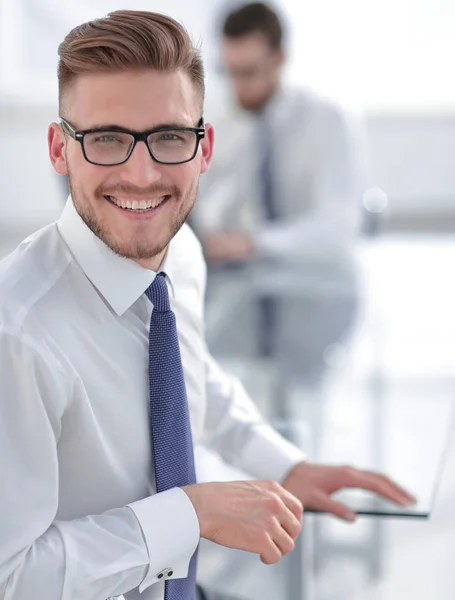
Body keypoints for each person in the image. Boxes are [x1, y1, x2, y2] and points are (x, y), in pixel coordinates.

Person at [0, 10, 415, 600]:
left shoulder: (181, 255)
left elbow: (191, 376)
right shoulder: (16, 336)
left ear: (203, 147)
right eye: (107, 138)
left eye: (168, 136)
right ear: (59, 149)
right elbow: (10, 576)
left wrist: (284, 464)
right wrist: (188, 516)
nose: (141, 175)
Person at [191, 2, 365, 376]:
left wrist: (256, 242)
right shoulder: (221, 127)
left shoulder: (326, 124)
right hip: (237, 305)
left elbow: (338, 230)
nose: (238, 86)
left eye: (249, 72)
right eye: (229, 72)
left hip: (318, 307)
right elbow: (200, 216)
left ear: (280, 59)